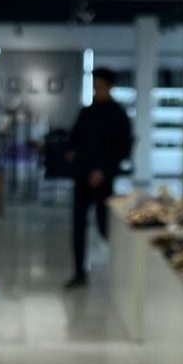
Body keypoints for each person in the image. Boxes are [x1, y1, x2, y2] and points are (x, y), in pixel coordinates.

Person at [65, 67, 132, 288]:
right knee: (78, 227)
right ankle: (79, 273)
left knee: (105, 226)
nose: (97, 90)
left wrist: (103, 171)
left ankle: (123, 269)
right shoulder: (87, 112)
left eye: (100, 86)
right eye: (95, 86)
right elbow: (74, 139)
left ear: (110, 87)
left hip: (103, 181)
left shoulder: (118, 115)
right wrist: (72, 154)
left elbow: (122, 149)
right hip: (83, 178)